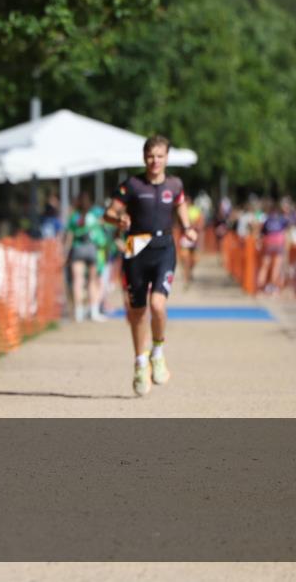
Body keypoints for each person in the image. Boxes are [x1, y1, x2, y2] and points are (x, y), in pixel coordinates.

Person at [104, 135, 197, 397]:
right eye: (150, 156)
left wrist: (187, 228)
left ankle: (157, 352)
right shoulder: (132, 185)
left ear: (167, 158)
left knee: (157, 304)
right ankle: (140, 362)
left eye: (159, 156)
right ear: (144, 157)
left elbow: (180, 206)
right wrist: (119, 220)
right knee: (137, 311)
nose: (155, 161)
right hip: (136, 247)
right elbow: (108, 213)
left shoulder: (175, 184)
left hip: (164, 247)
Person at [65, 191, 107, 322]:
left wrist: (66, 253)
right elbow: (104, 224)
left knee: (78, 281)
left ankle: (78, 313)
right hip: (92, 249)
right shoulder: (95, 214)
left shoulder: (74, 217)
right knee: (92, 281)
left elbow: (69, 235)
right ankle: (94, 311)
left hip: (77, 249)